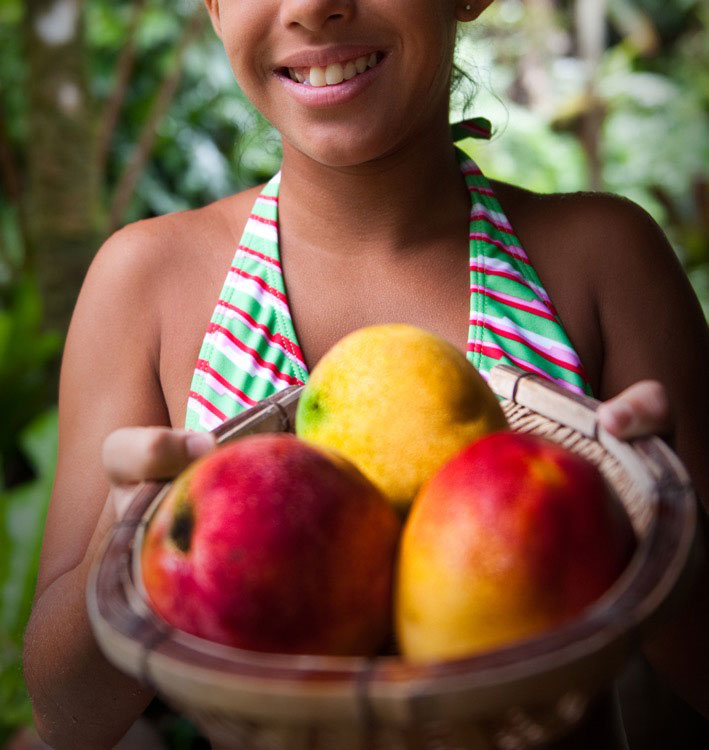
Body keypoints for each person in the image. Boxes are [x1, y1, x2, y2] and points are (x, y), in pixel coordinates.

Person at [23, 1, 708, 748]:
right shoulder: (146, 286)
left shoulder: (604, 263)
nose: (314, 5)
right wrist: (121, 547)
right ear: (215, 7)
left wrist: (664, 537)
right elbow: (68, 718)